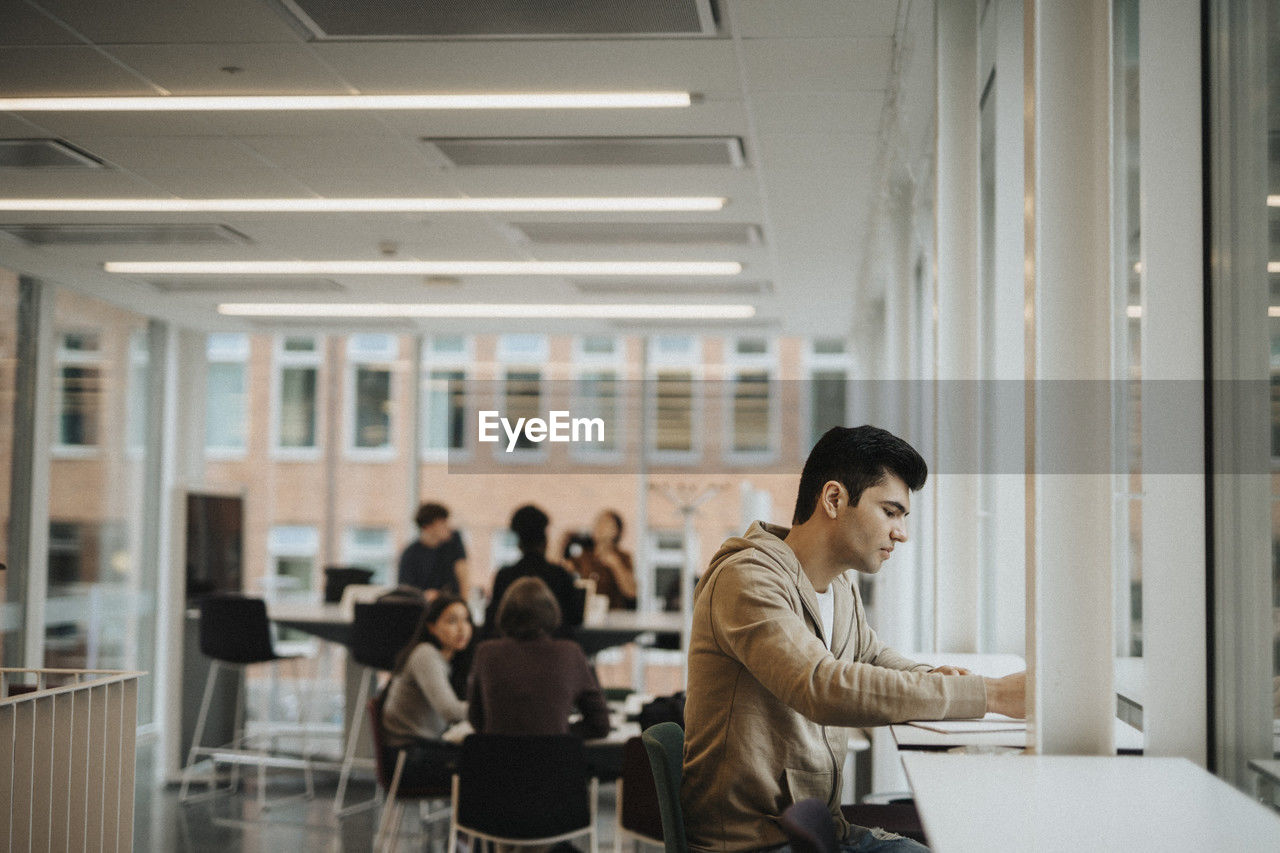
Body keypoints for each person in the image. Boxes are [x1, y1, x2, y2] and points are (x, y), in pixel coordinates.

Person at [682, 425, 1027, 853]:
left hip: (824, 828)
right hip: (757, 843)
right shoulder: (747, 579)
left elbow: (870, 655)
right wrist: (989, 694)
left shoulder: (838, 584)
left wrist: (933, 676)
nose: (901, 532)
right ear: (833, 499)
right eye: (890, 511)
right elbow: (821, 685)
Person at [468, 576, 611, 739]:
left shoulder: (486, 653)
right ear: (551, 612)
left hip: (498, 761)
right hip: (556, 760)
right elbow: (600, 725)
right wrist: (560, 732)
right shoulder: (570, 653)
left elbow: (477, 720)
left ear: (504, 613)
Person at [380, 593, 474, 788]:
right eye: (452, 621)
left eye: (466, 620)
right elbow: (450, 712)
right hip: (408, 758)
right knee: (489, 766)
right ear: (431, 627)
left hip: (418, 752)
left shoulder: (447, 660)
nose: (462, 628)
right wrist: (493, 709)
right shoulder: (425, 655)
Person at [482, 504, 583, 640]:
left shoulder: (505, 576)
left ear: (519, 541)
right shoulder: (560, 575)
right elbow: (576, 618)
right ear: (545, 540)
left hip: (513, 656)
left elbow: (493, 621)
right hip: (554, 655)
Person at [397, 502, 469, 601]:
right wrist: (424, 595)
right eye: (442, 523)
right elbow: (405, 590)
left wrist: (464, 603)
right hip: (424, 607)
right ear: (427, 527)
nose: (447, 527)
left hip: (453, 604)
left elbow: (463, 572)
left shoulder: (453, 541)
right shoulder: (410, 554)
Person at [568, 509, 637, 610]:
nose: (600, 526)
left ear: (617, 531)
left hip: (613, 616)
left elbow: (632, 592)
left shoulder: (623, 557)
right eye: (598, 522)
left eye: (606, 523)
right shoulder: (582, 557)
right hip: (587, 613)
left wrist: (616, 565)